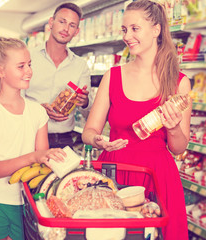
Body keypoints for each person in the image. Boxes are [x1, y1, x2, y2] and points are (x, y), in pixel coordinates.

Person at [81, 0, 191, 239]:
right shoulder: (113, 76)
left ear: (156, 30)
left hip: (158, 176)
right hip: (115, 171)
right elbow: (89, 131)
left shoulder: (178, 82)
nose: (127, 36)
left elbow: (180, 147)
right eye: (124, 29)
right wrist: (98, 141)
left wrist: (172, 128)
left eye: (134, 28)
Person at [0, 37, 66, 240]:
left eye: (29, 64)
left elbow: (41, 166)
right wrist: (34, 156)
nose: (28, 70)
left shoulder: (38, 112)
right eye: (21, 66)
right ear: (0, 72)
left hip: (27, 203)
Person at [24, 2, 92, 149]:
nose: (66, 29)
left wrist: (85, 101)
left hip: (62, 140)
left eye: (72, 25)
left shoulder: (80, 66)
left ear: (76, 31)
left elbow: (89, 113)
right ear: (51, 22)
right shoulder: (28, 57)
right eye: (62, 22)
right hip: (28, 136)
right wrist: (39, 110)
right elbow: (14, 98)